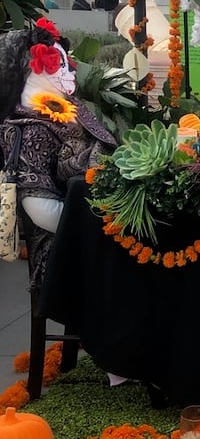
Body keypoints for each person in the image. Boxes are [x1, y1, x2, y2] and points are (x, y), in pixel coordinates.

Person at [0, 18, 117, 294]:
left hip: (93, 221)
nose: (69, 72)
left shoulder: (65, 110)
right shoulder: (26, 131)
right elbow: (40, 210)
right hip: (65, 250)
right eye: (59, 65)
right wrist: (98, 226)